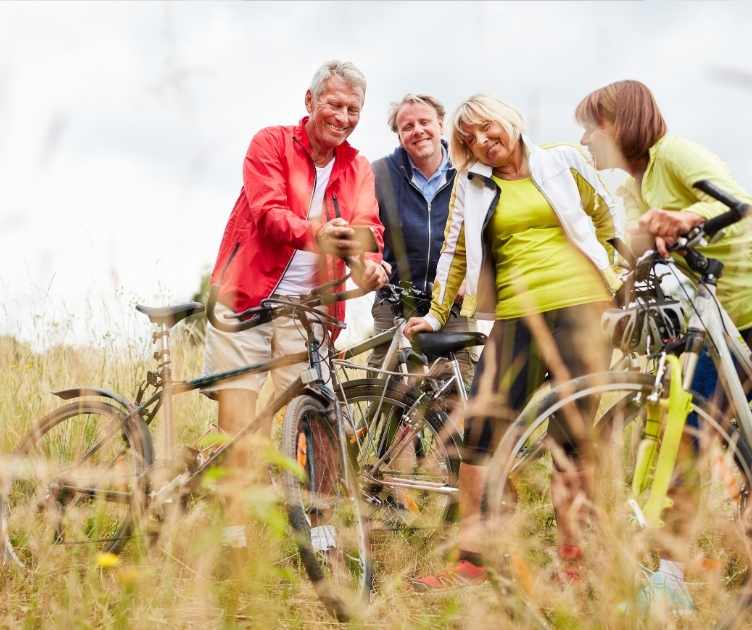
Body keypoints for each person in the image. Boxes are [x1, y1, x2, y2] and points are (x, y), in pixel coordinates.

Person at [405, 94, 623, 588]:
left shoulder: (563, 160)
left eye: (486, 128)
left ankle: (573, 563)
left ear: (508, 121)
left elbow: (608, 218)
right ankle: (470, 562)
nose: (482, 142)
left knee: (569, 440)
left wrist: (623, 275)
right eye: (469, 140)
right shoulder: (471, 184)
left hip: (584, 310)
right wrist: (437, 312)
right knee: (480, 435)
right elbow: (453, 252)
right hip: (515, 317)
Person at [576, 79, 752, 611]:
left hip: (744, 309)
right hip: (707, 322)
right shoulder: (634, 185)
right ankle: (670, 578)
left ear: (619, 123)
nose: (585, 140)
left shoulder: (675, 154)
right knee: (688, 440)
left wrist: (686, 217)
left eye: (590, 128)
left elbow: (737, 202)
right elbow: (637, 251)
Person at [202, 60, 388, 545]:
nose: (343, 116)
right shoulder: (270, 143)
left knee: (316, 418)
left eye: (353, 108)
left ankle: (319, 532)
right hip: (246, 297)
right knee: (240, 421)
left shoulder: (357, 166)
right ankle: (236, 534)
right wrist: (318, 233)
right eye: (334, 104)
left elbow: (368, 226)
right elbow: (269, 214)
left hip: (310, 308)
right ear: (310, 103)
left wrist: (369, 262)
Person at [368, 94, 477, 383]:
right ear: (399, 135)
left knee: (459, 389)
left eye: (424, 122)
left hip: (453, 299)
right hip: (394, 301)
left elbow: (485, 232)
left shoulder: (468, 172)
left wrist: (470, 276)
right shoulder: (379, 173)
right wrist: (374, 265)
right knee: (385, 387)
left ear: (441, 124)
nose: (417, 130)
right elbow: (367, 229)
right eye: (408, 126)